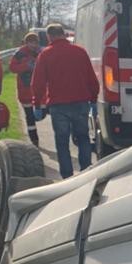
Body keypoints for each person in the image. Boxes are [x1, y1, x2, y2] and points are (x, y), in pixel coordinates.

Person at [31, 23, 99, 179]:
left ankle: (67, 176)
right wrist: (93, 99)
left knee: (62, 141)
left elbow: (38, 83)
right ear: (64, 34)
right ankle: (86, 172)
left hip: (58, 105)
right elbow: (91, 78)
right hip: (81, 102)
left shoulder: (45, 55)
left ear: (49, 36)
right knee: (83, 137)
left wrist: (37, 104)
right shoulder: (80, 52)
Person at [8, 31, 41, 147]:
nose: (33, 45)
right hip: (24, 89)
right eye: (31, 42)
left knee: (40, 113)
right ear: (26, 43)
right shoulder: (20, 53)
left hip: (38, 89)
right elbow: (12, 67)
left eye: (35, 42)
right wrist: (26, 66)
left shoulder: (40, 53)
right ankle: (34, 139)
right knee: (29, 116)